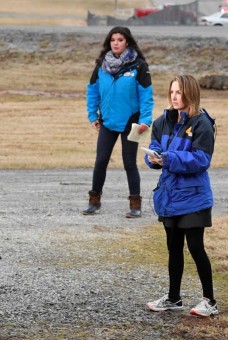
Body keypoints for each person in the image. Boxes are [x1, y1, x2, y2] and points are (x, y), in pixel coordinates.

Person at [145, 75, 219, 317]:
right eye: (172, 92)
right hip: (169, 195)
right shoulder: (162, 121)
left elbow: (201, 159)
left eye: (179, 92)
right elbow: (155, 148)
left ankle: (210, 301)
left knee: (196, 246)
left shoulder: (202, 123)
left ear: (190, 94)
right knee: (173, 247)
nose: (174, 97)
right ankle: (174, 298)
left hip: (194, 196)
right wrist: (153, 158)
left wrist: (168, 158)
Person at [84, 26, 154, 218]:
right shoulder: (101, 65)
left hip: (130, 123)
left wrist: (146, 120)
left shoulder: (139, 66)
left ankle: (135, 204)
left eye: (120, 40)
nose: (116, 43)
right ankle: (94, 201)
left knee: (129, 163)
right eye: (113, 39)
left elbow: (146, 95)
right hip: (107, 122)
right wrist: (92, 115)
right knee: (100, 161)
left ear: (127, 42)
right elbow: (92, 91)